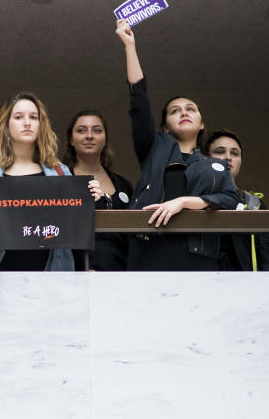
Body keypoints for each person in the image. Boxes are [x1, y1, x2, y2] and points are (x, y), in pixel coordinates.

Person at [115, 19, 237, 271]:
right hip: (149, 252)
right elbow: (139, 99)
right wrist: (130, 47)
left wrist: (183, 202)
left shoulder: (215, 165)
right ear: (164, 126)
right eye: (175, 111)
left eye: (190, 109)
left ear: (202, 123)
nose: (184, 112)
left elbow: (228, 199)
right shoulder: (154, 147)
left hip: (198, 259)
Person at [0, 92, 104, 271]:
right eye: (19, 117)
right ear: (6, 125)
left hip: (51, 277)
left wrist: (89, 199)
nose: (27, 122)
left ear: (41, 125)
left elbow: (74, 228)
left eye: (34, 117)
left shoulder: (60, 172)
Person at [63, 110, 134, 271]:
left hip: (119, 275)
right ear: (71, 140)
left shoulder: (123, 185)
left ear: (105, 139)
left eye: (97, 130)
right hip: (75, 275)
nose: (89, 136)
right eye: (81, 130)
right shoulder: (61, 182)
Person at [204, 130, 269, 271]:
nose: (228, 157)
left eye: (234, 153)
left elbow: (265, 254)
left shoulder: (254, 203)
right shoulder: (192, 198)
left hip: (244, 285)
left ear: (240, 161)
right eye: (220, 151)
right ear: (205, 158)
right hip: (200, 282)